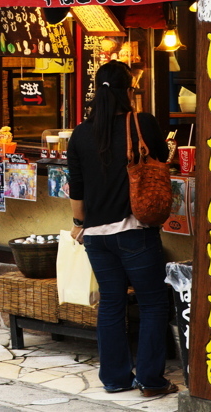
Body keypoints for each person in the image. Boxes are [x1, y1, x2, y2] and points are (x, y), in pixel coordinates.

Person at [66, 60, 177, 397]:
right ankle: (151, 380)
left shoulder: (80, 133)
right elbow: (160, 159)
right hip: (135, 231)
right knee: (153, 303)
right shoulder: (142, 123)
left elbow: (76, 190)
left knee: (111, 303)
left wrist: (79, 224)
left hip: (96, 237)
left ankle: (115, 379)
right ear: (128, 91)